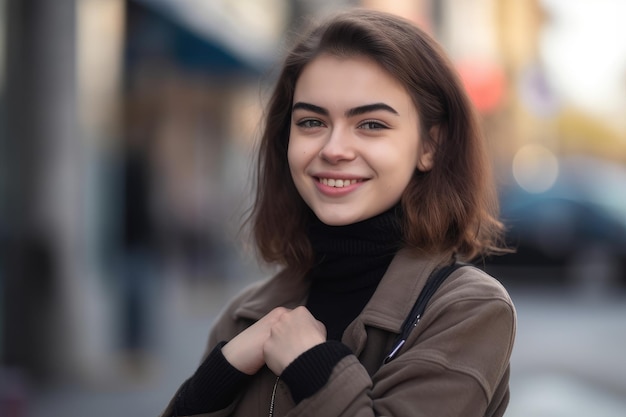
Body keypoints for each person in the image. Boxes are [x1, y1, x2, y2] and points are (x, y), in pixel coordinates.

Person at [160, 8, 516, 417]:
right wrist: (218, 375)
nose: (332, 149)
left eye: (371, 125)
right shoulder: (245, 317)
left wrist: (312, 367)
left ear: (429, 146)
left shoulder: (467, 310)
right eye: (311, 122)